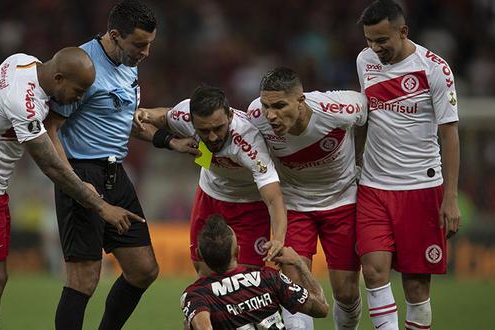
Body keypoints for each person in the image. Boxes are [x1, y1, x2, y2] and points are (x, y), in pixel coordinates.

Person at [0, 47, 143, 330]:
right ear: (58, 79)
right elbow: (51, 167)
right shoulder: (25, 103)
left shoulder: (20, 61)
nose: (80, 98)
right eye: (79, 90)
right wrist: (101, 207)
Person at [43, 1, 189, 329]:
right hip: (82, 172)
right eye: (140, 44)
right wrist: (74, 183)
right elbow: (51, 127)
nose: (146, 52)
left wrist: (170, 141)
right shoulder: (82, 66)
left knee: (143, 270)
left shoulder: (128, 61)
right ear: (114, 35)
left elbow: (125, 120)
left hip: (115, 174)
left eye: (150, 44)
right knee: (83, 279)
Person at [355, 1, 461, 329]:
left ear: (403, 31)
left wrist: (451, 198)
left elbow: (450, 136)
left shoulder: (434, 69)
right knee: (373, 271)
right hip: (373, 186)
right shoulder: (365, 61)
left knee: (416, 287)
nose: (375, 48)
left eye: (382, 40)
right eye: (370, 40)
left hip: (421, 187)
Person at [247, 67, 367, 330]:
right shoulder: (256, 115)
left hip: (342, 202)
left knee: (346, 293)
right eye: (267, 106)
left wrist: (361, 158)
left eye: (279, 106)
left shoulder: (339, 108)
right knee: (296, 293)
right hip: (294, 207)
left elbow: (369, 114)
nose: (271, 115)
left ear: (301, 100)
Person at [136, 86, 288, 277]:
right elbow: (162, 116)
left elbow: (274, 199)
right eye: (204, 131)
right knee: (204, 270)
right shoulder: (184, 114)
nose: (213, 137)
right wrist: (145, 114)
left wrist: (279, 238)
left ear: (230, 116)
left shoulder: (249, 143)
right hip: (211, 194)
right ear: (192, 121)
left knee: (249, 278)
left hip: (250, 204)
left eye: (218, 128)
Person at [180, 214, 329, 330]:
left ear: (199, 254)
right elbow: (322, 308)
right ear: (238, 251)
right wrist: (298, 263)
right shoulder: (269, 278)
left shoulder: (197, 295)